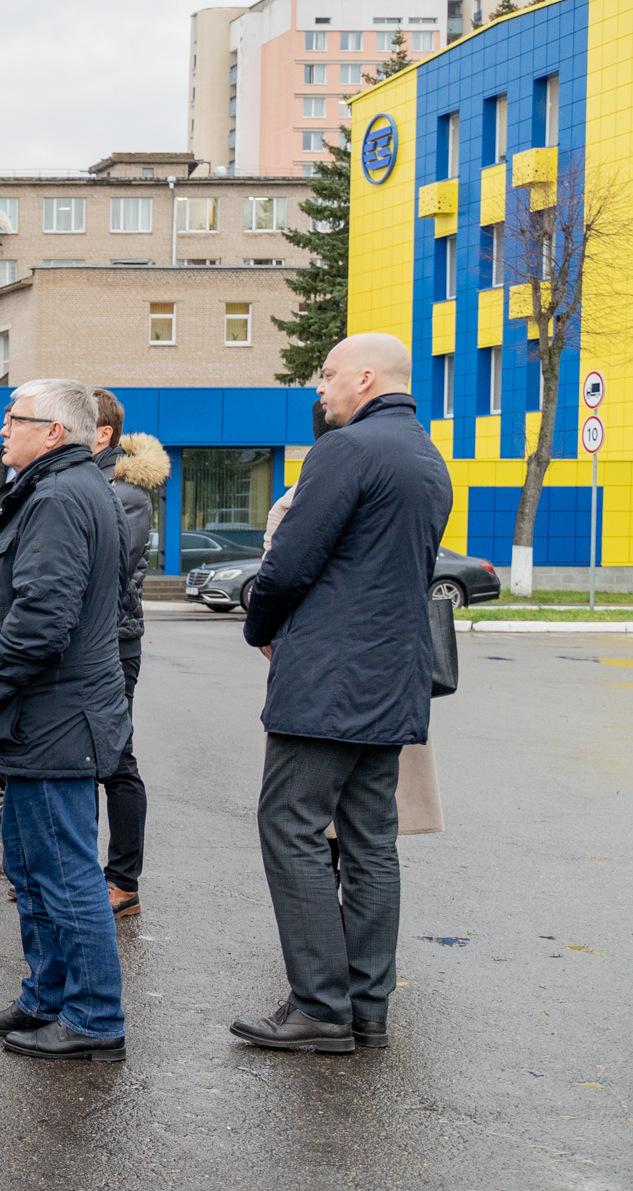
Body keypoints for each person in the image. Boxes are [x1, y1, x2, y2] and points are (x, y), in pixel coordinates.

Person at [229, 334, 451, 1054]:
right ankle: (367, 1006)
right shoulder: (426, 456)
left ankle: (319, 1005)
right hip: (392, 681)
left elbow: (289, 560)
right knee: (370, 841)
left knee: (290, 826)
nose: (319, 391)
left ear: (364, 376)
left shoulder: (346, 450)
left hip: (328, 680)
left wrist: (260, 627)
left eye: (326, 376)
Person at [0, 379, 132, 1062]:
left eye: (15, 418)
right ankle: (48, 994)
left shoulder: (60, 496)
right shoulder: (54, 488)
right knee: (32, 868)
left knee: (65, 874)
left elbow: (42, 620)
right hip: (39, 722)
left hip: (56, 721)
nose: (4, 430)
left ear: (54, 432)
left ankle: (92, 1015)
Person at [90, 390, 155, 918]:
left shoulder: (126, 489)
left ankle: (123, 880)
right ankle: (77, 873)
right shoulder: (85, 479)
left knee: (115, 759)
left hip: (113, 639)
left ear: (103, 433)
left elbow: (107, 565)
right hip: (90, 639)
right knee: (77, 758)